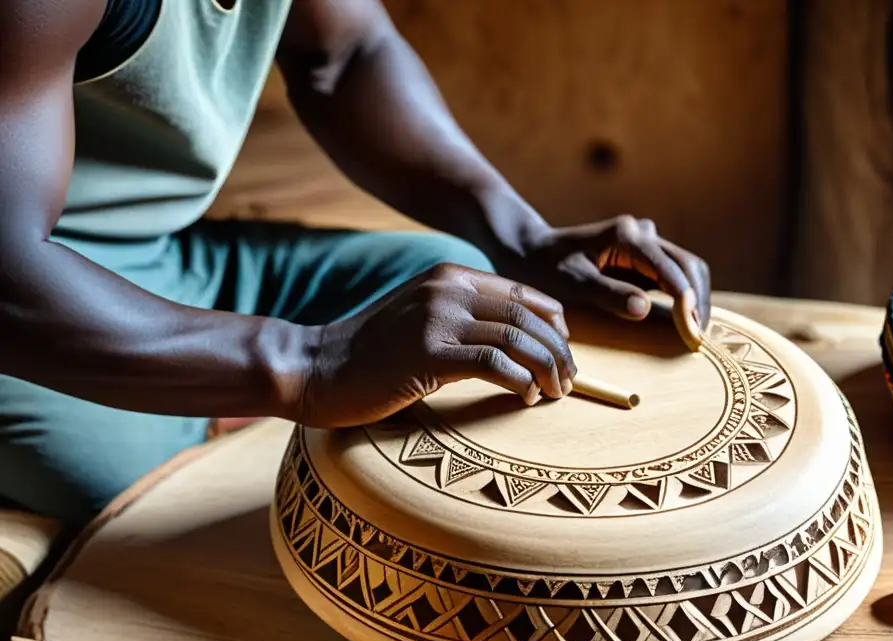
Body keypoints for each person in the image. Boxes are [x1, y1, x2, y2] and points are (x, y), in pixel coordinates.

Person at [0, 0, 711, 527]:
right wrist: (308, 364)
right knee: (145, 497)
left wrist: (521, 237)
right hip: (37, 300)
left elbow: (346, 54)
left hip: (156, 252)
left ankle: (228, 395)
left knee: (464, 289)